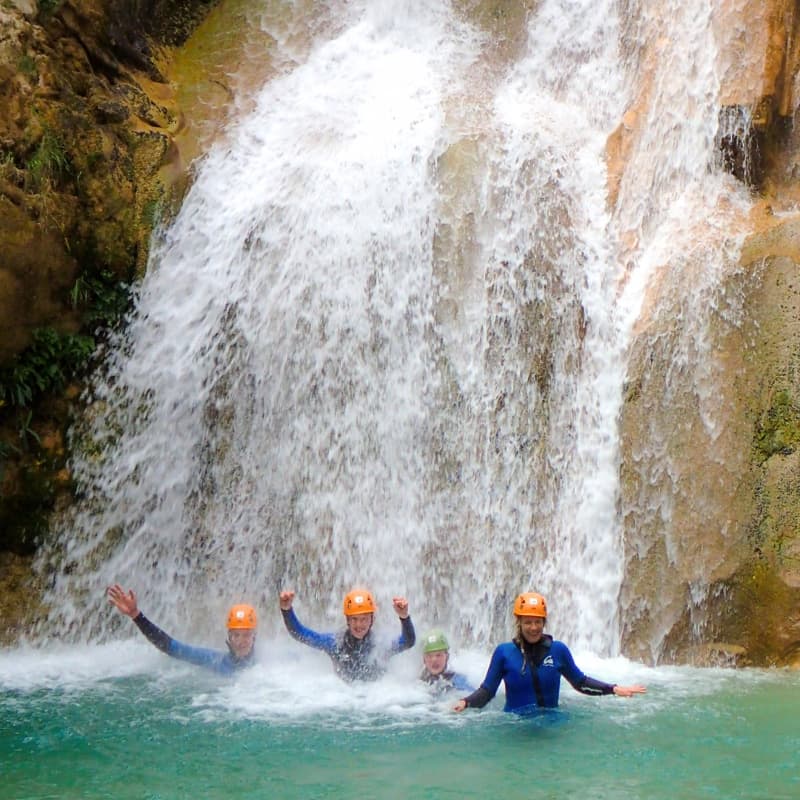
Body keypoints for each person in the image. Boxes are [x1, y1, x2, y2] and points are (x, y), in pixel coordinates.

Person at [453, 592, 646, 714]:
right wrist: (466, 702)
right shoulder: (504, 653)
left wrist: (612, 689)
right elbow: (487, 692)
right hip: (515, 728)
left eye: (538, 622)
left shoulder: (558, 650)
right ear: (518, 623)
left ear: (544, 623)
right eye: (528, 622)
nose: (533, 627)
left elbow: (580, 683)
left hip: (552, 725)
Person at [106, 583, 257, 676]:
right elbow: (170, 647)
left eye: (246, 635)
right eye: (236, 635)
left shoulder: (266, 666)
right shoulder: (215, 661)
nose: (241, 641)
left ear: (254, 637)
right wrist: (136, 615)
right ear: (229, 637)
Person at [279, 587, 415, 682]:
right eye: (354, 619)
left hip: (376, 700)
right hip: (345, 699)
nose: (359, 625)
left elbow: (408, 642)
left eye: (364, 619)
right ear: (347, 620)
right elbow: (300, 634)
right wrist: (287, 610)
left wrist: (404, 617)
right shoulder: (335, 643)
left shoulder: (381, 645)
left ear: (372, 620)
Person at [419, 629, 473, 695]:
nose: (434, 660)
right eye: (429, 656)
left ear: (447, 657)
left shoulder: (459, 681)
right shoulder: (418, 684)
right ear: (424, 659)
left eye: (438, 655)